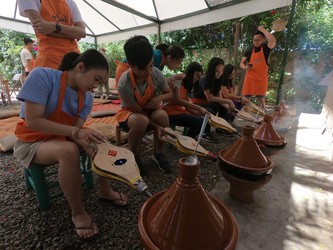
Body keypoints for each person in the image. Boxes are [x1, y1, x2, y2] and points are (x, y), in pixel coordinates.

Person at [14, 49, 128, 240]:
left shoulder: (88, 97)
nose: (95, 86)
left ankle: (105, 191)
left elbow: (76, 131)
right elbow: (33, 121)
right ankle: (77, 211)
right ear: (80, 67)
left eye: (99, 82)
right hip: (32, 140)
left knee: (99, 142)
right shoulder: (42, 76)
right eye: (96, 79)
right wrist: (77, 134)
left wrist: (87, 144)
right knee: (69, 150)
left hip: (61, 137)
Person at [115, 35, 174, 175]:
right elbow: (138, 111)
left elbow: (170, 94)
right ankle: (134, 156)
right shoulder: (124, 83)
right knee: (141, 121)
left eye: (151, 65)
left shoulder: (155, 73)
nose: (148, 71)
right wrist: (156, 127)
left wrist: (159, 97)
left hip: (149, 110)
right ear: (131, 65)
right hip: (132, 115)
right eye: (143, 69)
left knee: (162, 116)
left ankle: (158, 153)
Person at [17, 0, 86, 69]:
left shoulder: (69, 2)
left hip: (74, 62)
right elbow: (41, 27)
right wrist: (73, 32)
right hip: (49, 63)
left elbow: (82, 33)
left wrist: (54, 27)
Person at [164, 62, 218, 142]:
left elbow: (187, 106)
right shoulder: (179, 79)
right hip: (170, 112)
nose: (197, 78)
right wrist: (199, 108)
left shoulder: (188, 84)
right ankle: (187, 141)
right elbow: (178, 100)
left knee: (207, 114)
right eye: (196, 75)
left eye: (199, 76)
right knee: (199, 121)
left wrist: (200, 112)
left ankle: (190, 138)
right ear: (190, 72)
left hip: (180, 111)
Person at [191, 57, 236, 133]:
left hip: (206, 103)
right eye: (217, 71)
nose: (219, 73)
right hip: (196, 103)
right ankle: (206, 132)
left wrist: (231, 109)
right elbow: (210, 98)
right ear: (212, 70)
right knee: (214, 105)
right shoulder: (205, 79)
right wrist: (229, 102)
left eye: (221, 71)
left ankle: (221, 127)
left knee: (222, 106)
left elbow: (220, 98)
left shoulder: (218, 80)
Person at [115, 43, 185, 86]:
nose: (178, 66)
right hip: (124, 69)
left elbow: (158, 81)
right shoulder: (157, 58)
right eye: (178, 63)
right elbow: (155, 83)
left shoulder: (161, 62)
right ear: (169, 58)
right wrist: (173, 78)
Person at [240, 26, 276, 109]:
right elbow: (241, 63)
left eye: (257, 40)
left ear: (262, 39)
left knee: (261, 99)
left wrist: (263, 30)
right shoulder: (249, 50)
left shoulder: (266, 48)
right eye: (254, 40)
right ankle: (245, 115)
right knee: (246, 99)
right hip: (250, 77)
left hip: (261, 77)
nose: (255, 42)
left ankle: (262, 116)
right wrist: (245, 67)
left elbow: (273, 40)